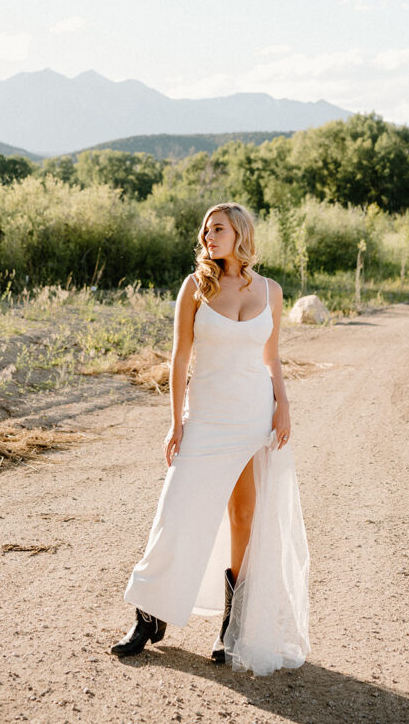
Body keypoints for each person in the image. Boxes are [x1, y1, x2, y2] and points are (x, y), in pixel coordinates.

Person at [110, 202, 309, 675]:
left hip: (253, 417)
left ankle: (231, 626)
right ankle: (149, 614)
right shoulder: (196, 286)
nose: (207, 237)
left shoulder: (271, 290)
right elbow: (179, 360)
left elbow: (272, 358)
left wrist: (284, 404)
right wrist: (176, 421)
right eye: (204, 230)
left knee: (244, 516)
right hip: (207, 419)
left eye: (217, 228)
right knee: (176, 511)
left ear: (239, 233)